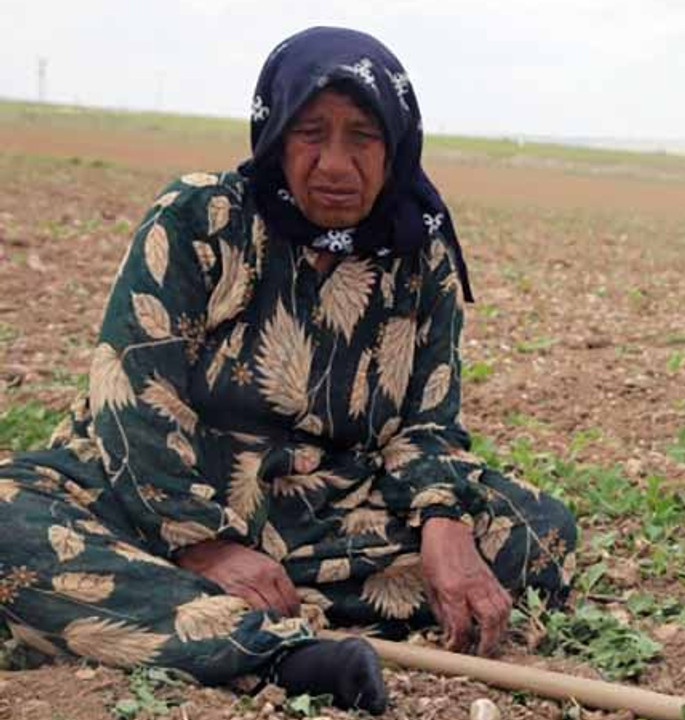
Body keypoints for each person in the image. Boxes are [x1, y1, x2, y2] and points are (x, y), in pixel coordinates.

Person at [0, 27, 577, 714]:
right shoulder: (201, 219)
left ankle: (176, 609)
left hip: (314, 513)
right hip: (143, 497)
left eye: (362, 135)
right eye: (310, 132)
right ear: (274, 132)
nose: (336, 162)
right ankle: (283, 654)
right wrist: (205, 545)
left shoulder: (419, 259)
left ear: (396, 143)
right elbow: (132, 393)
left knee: (537, 532)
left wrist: (444, 527)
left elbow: (427, 422)